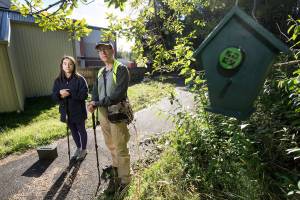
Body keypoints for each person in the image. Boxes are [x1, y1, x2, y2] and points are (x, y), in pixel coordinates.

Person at [87, 41, 131, 191]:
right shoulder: (100, 72)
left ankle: (125, 180)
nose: (103, 52)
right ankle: (116, 171)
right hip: (103, 113)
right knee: (110, 144)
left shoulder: (121, 69)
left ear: (112, 51)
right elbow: (95, 90)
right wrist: (92, 102)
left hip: (117, 111)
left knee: (120, 145)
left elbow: (117, 95)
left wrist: (98, 102)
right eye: (100, 51)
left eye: (106, 49)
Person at [52, 55, 89, 160]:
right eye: (65, 64)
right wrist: (59, 94)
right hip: (66, 112)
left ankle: (84, 149)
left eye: (70, 64)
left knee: (81, 130)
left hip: (79, 111)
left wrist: (70, 93)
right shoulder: (58, 81)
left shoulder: (80, 79)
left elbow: (84, 95)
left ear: (73, 66)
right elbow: (54, 96)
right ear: (62, 66)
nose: (67, 66)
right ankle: (78, 147)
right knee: (73, 131)